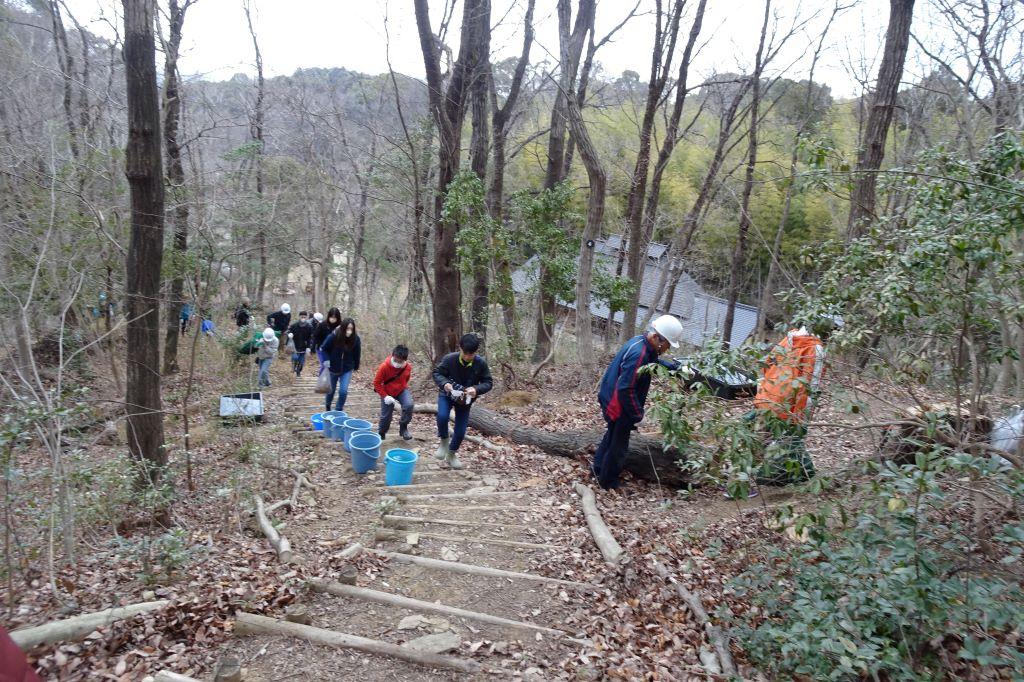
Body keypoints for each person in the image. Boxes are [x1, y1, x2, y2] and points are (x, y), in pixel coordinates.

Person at [593, 315, 683, 490]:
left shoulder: (642, 344)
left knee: (611, 436)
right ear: (657, 338)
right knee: (619, 446)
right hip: (617, 403)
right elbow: (626, 388)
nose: (667, 349)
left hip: (613, 396)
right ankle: (607, 482)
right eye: (667, 345)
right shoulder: (639, 354)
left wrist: (675, 369)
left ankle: (597, 470)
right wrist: (637, 414)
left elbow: (654, 364)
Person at [749, 319, 836, 485]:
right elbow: (811, 386)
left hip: (767, 398)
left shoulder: (789, 339)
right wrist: (802, 418)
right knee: (789, 441)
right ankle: (800, 477)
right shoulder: (815, 348)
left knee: (758, 441)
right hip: (786, 406)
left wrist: (763, 390)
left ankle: (743, 482)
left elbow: (767, 363)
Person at [432, 334, 493, 470]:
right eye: (465, 353)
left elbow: (488, 382)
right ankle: (444, 442)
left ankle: (452, 454)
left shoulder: (480, 363)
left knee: (460, 431)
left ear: (476, 352)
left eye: (470, 354)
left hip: (465, 400)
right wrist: (445, 383)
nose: (467, 357)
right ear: (460, 348)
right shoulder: (450, 359)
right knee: (442, 416)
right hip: (447, 394)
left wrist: (476, 389)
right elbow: (437, 373)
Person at [374, 344, 414, 441]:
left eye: (400, 361)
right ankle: (382, 432)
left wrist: (401, 388)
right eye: (395, 360)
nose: (397, 363)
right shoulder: (384, 367)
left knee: (409, 405)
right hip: (387, 391)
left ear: (405, 360)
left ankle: (403, 428)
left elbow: (406, 379)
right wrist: (385, 396)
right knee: (386, 416)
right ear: (393, 356)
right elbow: (376, 383)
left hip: (401, 390)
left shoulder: (407, 367)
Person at [321, 317, 361, 411]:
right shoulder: (334, 336)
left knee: (343, 391)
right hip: (333, 367)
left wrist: (356, 366)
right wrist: (326, 360)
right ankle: (328, 405)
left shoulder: (356, 339)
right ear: (343, 328)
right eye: (347, 328)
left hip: (347, 368)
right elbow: (324, 348)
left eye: (351, 329)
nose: (349, 331)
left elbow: (357, 353)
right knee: (331, 390)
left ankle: (338, 410)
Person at [313, 307, 341, 372]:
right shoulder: (322, 325)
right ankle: (321, 381)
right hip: (321, 348)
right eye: (331, 317)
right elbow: (315, 336)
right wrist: (313, 347)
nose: (333, 319)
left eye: (335, 318)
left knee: (331, 367)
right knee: (324, 365)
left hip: (334, 350)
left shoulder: (340, 326)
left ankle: (329, 380)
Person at [287, 311, 313, 377]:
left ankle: (298, 372)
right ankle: (294, 366)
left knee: (301, 362)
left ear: (306, 317)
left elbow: (310, 337)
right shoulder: (294, 325)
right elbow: (289, 331)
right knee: (295, 358)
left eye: (304, 317)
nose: (303, 318)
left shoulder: (309, 326)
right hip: (295, 345)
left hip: (304, 346)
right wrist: (289, 334)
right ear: (299, 317)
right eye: (302, 317)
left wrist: (308, 347)